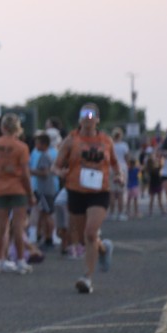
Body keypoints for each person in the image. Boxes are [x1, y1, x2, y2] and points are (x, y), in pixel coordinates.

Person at [53, 103, 121, 294]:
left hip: (99, 191)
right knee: (84, 238)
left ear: (97, 119)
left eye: (92, 115)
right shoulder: (71, 140)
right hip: (76, 191)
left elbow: (115, 163)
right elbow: (56, 165)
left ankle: (87, 278)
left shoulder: (106, 140)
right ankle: (103, 248)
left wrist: (119, 175)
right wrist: (60, 172)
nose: (88, 118)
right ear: (80, 118)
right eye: (84, 114)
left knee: (91, 233)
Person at [0, 113, 34, 274]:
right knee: (18, 226)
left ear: (2, 127)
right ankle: (20, 260)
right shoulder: (21, 147)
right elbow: (25, 174)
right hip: (18, 189)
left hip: (0, 189)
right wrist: (30, 193)